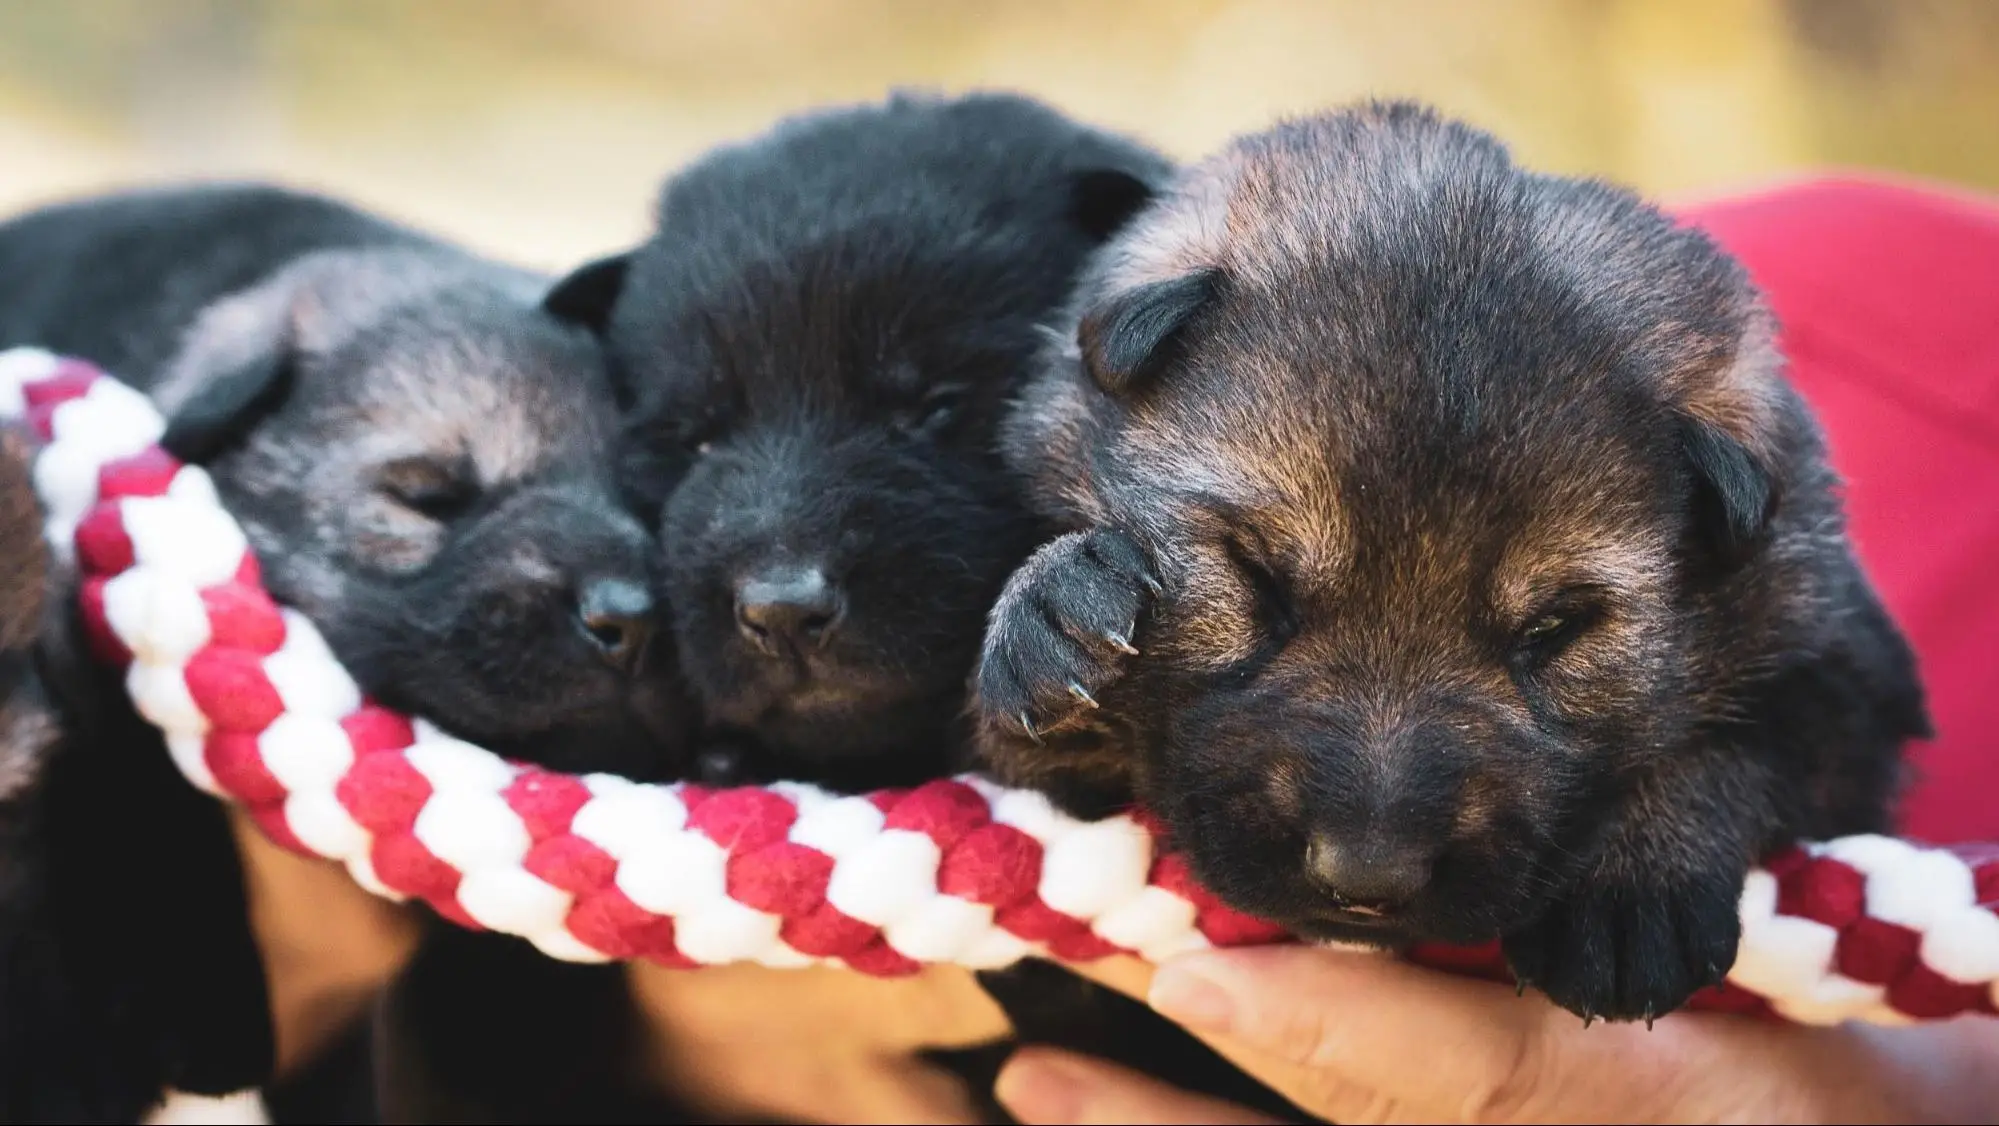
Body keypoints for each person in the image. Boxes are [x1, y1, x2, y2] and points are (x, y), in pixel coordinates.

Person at [994, 173, 1999, 1126]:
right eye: (1263, 590)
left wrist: (1693, 799)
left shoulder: (1717, 434)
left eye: (1549, 637)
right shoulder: (1775, 272)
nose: (1370, 849)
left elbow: (1823, 691)